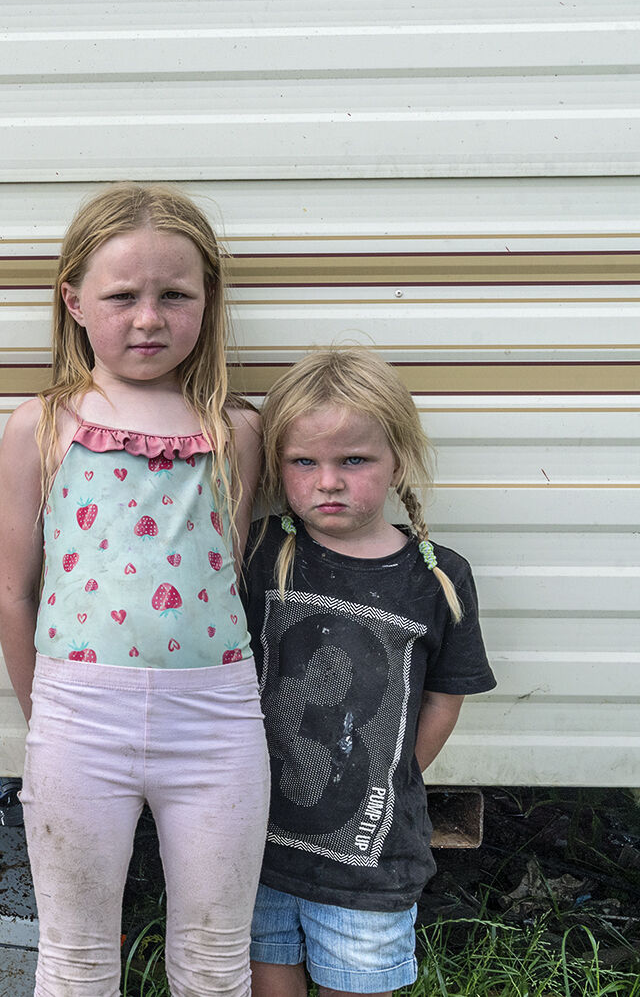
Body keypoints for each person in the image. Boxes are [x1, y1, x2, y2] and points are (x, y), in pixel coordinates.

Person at [0, 182, 269, 995]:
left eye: (174, 296)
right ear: (74, 300)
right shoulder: (39, 427)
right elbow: (15, 591)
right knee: (75, 959)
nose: (148, 318)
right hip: (78, 713)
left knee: (218, 959)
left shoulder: (236, 431)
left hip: (217, 718)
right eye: (123, 296)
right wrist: (46, 712)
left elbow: (232, 567)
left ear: (207, 301)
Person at [242, 346, 495, 997]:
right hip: (253, 844)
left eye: (353, 460)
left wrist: (393, 767)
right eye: (304, 461)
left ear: (398, 460)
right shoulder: (260, 550)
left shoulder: (436, 577)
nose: (327, 480)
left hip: (370, 860)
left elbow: (443, 694)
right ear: (278, 465)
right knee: (265, 970)